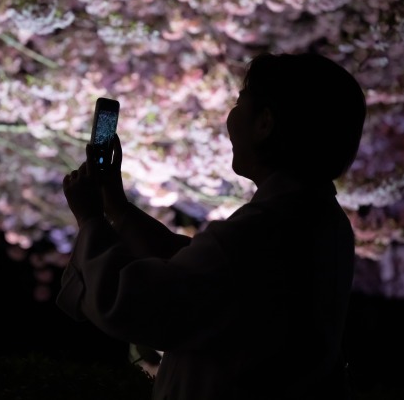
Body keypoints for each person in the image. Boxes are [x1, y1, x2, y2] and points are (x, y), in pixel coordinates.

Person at [56, 52, 367, 400]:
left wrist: (91, 220)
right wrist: (120, 211)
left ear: (265, 123)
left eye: (240, 102)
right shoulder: (317, 219)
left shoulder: (261, 230)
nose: (229, 117)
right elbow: (199, 266)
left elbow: (138, 303)